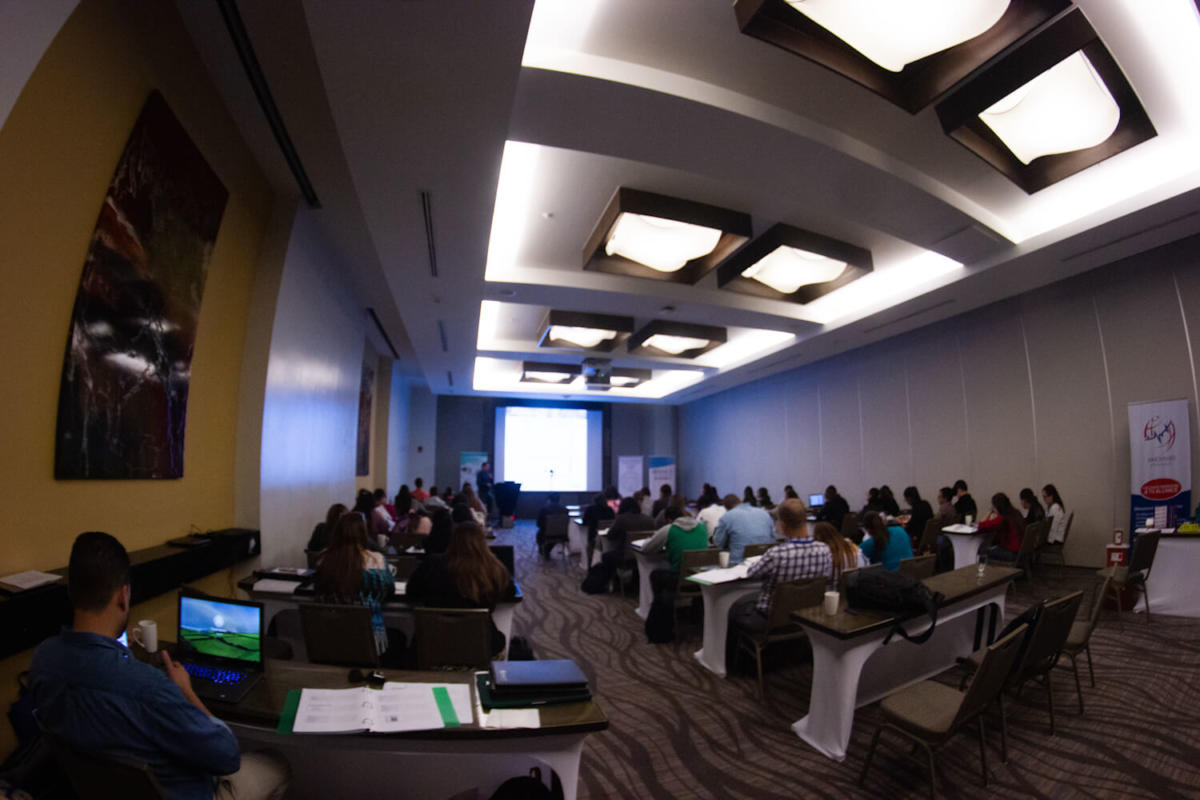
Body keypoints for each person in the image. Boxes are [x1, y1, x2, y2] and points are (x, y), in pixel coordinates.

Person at [31, 532, 289, 800]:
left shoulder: (43, 661)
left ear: (71, 591)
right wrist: (186, 692)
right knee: (277, 764)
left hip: (99, 790)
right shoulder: (149, 687)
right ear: (124, 595)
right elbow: (227, 756)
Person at [406, 521, 517, 655]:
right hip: (480, 645)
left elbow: (411, 592)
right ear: (483, 542)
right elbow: (511, 592)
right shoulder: (493, 568)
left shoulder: (432, 563)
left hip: (432, 643)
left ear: (453, 541)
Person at [727, 499, 833, 638]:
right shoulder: (824, 550)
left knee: (735, 609)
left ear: (782, 525)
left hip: (772, 619)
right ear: (805, 520)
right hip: (808, 616)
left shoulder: (777, 554)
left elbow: (751, 573)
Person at [314, 513, 398, 660]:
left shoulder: (323, 560)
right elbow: (389, 589)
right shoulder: (377, 561)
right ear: (364, 534)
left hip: (329, 636)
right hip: (369, 639)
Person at [640, 506, 708, 574]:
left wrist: (649, 539)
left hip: (678, 574)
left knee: (655, 573)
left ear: (669, 520)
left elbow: (646, 548)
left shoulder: (669, 529)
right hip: (699, 574)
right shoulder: (701, 527)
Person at [712, 494, 776, 565]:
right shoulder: (764, 513)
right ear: (741, 501)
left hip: (738, 563)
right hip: (765, 561)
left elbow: (719, 543)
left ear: (726, 508)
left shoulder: (727, 517)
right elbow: (773, 538)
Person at [811, 521, 866, 585]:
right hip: (855, 586)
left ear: (818, 537)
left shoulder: (823, 554)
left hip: (832, 589)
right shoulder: (853, 547)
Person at [981, 493, 1025, 562]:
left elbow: (981, 525)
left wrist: (989, 512)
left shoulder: (1002, 518)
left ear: (997, 507)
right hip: (1020, 551)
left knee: (983, 552)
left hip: (1011, 552)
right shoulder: (1016, 513)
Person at [582, 492, 616, 563]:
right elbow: (613, 522)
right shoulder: (609, 510)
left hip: (594, 536)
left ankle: (590, 563)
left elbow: (584, 522)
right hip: (608, 537)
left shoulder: (590, 509)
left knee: (589, 545)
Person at [536, 492, 568, 558]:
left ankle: (542, 549)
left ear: (549, 500)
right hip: (562, 534)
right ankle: (547, 550)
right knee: (555, 533)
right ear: (559, 500)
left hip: (546, 534)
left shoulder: (544, 509)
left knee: (540, 534)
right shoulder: (565, 510)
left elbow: (538, 524)